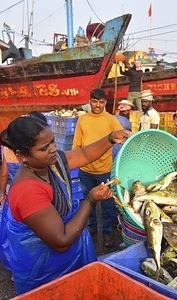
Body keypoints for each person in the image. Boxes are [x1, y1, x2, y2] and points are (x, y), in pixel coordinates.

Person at [0, 114, 131, 294]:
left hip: (67, 256)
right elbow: (61, 241)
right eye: (44, 148)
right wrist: (91, 200)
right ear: (22, 156)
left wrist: (110, 138)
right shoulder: (27, 191)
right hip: (42, 269)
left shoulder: (53, 162)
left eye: (52, 141)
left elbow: (84, 154)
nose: (53, 149)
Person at [72, 88, 124, 248]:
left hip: (105, 170)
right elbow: (77, 144)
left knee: (108, 204)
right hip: (86, 171)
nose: (98, 105)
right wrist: (75, 163)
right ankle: (93, 227)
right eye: (95, 101)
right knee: (89, 201)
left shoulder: (110, 119)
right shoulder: (83, 119)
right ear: (90, 101)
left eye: (101, 102)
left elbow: (121, 136)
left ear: (105, 103)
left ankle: (108, 233)